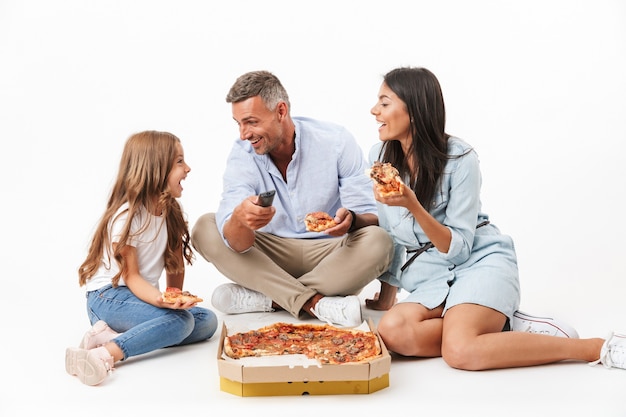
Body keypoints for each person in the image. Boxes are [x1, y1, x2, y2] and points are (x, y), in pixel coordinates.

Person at [364, 66, 625, 371]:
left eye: (384, 103)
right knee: (393, 332)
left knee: (459, 352)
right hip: (433, 278)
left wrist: (414, 205)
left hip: (478, 262)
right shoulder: (380, 158)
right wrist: (386, 297)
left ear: (416, 110)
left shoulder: (460, 159)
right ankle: (497, 328)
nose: (374, 111)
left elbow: (459, 248)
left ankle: (594, 347)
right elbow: (392, 234)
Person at [191, 70, 394, 328]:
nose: (244, 134)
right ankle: (317, 303)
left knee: (380, 241)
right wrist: (241, 220)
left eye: (251, 122)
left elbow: (371, 216)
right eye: (238, 123)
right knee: (205, 227)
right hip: (269, 253)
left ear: (281, 111)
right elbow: (238, 245)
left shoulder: (336, 141)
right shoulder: (242, 154)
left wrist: (352, 220)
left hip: (330, 252)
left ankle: (268, 298)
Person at [66, 131, 218, 386]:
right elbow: (132, 277)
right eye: (179, 162)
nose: (188, 168)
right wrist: (162, 302)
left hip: (139, 297)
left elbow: (175, 264)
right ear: (155, 168)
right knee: (181, 324)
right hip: (108, 297)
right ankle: (105, 354)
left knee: (206, 323)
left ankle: (105, 336)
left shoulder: (170, 212)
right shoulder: (126, 217)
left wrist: (173, 297)